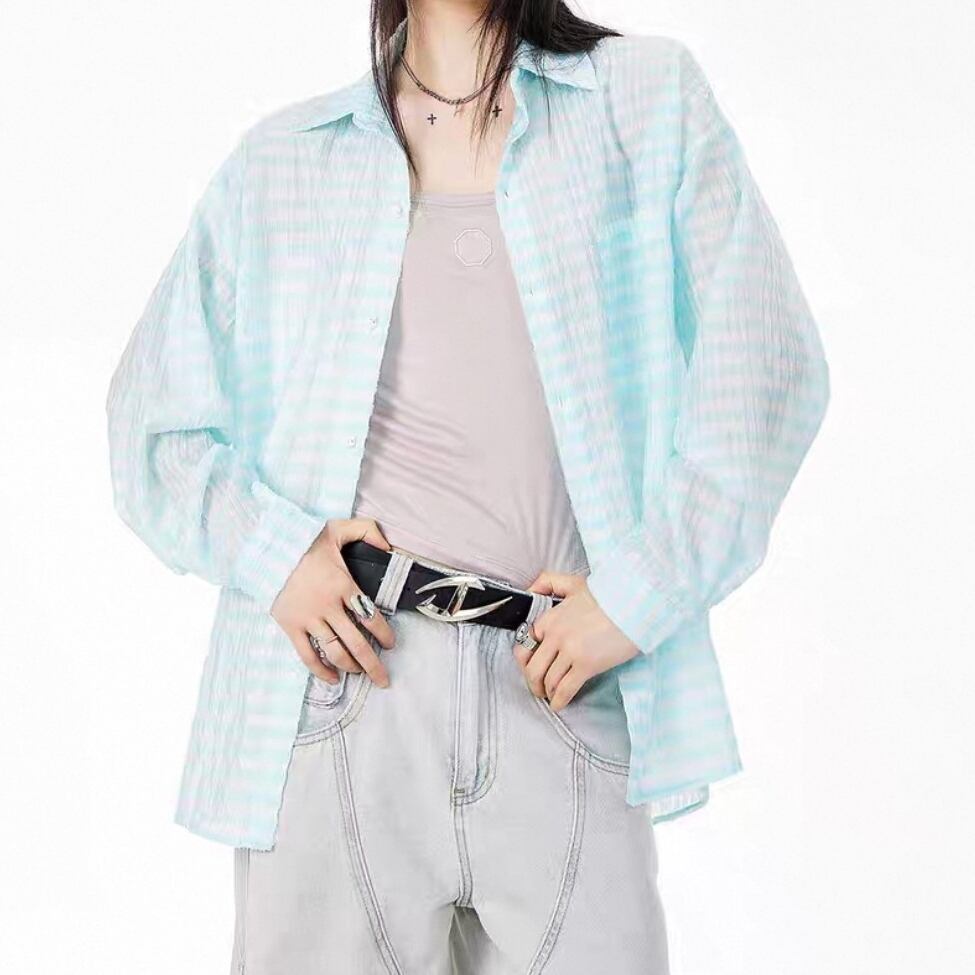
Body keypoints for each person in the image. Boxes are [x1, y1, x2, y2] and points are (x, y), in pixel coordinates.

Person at [104, 2, 830, 972]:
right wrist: (278, 556)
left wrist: (639, 593)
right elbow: (151, 422)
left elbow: (767, 367)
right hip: (344, 692)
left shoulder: (644, 102)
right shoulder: (283, 161)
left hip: (564, 678)